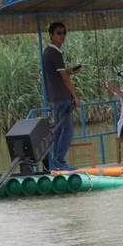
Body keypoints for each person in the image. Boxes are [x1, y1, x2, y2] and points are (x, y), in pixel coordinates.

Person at [43, 22, 81, 171]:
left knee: (59, 130)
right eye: (59, 33)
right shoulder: (55, 52)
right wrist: (75, 96)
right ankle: (59, 161)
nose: (62, 36)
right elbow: (64, 78)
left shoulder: (47, 52)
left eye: (64, 33)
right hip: (62, 97)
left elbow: (59, 74)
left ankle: (55, 162)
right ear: (51, 35)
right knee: (67, 130)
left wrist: (69, 71)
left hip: (55, 97)